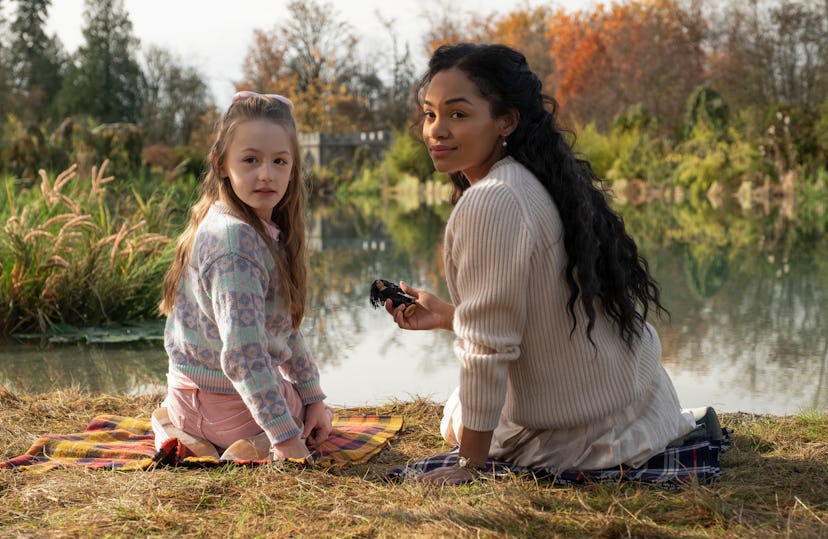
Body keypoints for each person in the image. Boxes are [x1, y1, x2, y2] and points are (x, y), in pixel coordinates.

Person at [385, 43, 697, 485]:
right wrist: (450, 316)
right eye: (430, 114)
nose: (436, 130)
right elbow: (540, 313)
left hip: (579, 438)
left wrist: (468, 464)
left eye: (458, 114)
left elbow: (487, 349)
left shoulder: (491, 201)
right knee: (467, 403)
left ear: (505, 121)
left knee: (458, 410)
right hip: (640, 400)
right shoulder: (539, 178)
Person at [151, 91, 332, 463]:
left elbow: (280, 327)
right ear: (221, 164)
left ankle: (178, 428)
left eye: (279, 161)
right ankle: (247, 445)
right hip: (225, 408)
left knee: (308, 405)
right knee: (306, 417)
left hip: (188, 397)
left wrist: (312, 392)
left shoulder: (234, 223)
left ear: (293, 167)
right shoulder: (235, 243)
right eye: (250, 160)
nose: (266, 174)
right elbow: (245, 356)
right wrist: (287, 437)